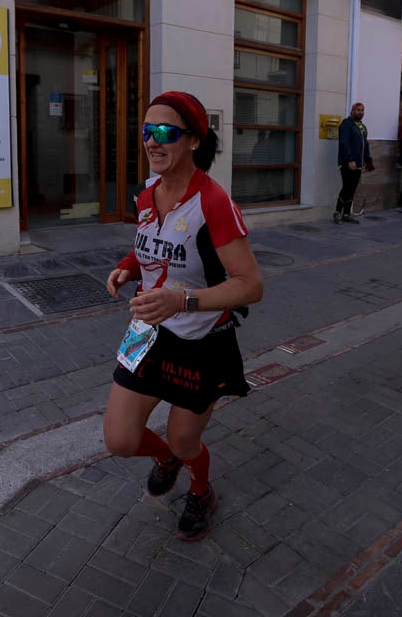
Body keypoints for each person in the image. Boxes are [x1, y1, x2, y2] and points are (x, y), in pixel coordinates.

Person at [105, 91, 263, 541]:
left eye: (165, 132)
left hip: (201, 339)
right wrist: (128, 266)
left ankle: (201, 490)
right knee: (119, 440)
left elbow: (251, 285)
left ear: (193, 140)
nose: (152, 141)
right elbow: (154, 246)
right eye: (146, 131)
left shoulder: (213, 202)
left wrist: (182, 301)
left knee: (184, 439)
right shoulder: (145, 193)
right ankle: (167, 460)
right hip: (147, 330)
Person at [334, 102, 374, 224]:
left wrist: (368, 161)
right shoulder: (346, 124)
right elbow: (344, 143)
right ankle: (337, 212)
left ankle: (346, 213)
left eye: (362, 110)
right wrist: (350, 159)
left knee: (352, 189)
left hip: (358, 164)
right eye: (358, 110)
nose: (360, 112)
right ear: (352, 111)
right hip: (347, 164)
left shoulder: (362, 127)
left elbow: (365, 145)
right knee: (347, 188)